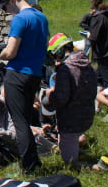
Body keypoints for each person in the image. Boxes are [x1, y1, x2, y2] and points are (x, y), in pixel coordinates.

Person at [0, 0, 49, 174]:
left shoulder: (20, 19)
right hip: (34, 73)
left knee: (19, 123)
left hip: (17, 73)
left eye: (4, 7)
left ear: (12, 0)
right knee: (25, 120)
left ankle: (29, 167)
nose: (5, 12)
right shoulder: (41, 17)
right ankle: (34, 160)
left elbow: (10, 52)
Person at [40, 33, 97, 168]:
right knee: (70, 146)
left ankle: (95, 168)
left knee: (69, 162)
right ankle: (77, 153)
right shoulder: (86, 63)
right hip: (87, 113)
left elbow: (61, 98)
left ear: (59, 51)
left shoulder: (65, 69)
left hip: (70, 118)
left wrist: (49, 95)